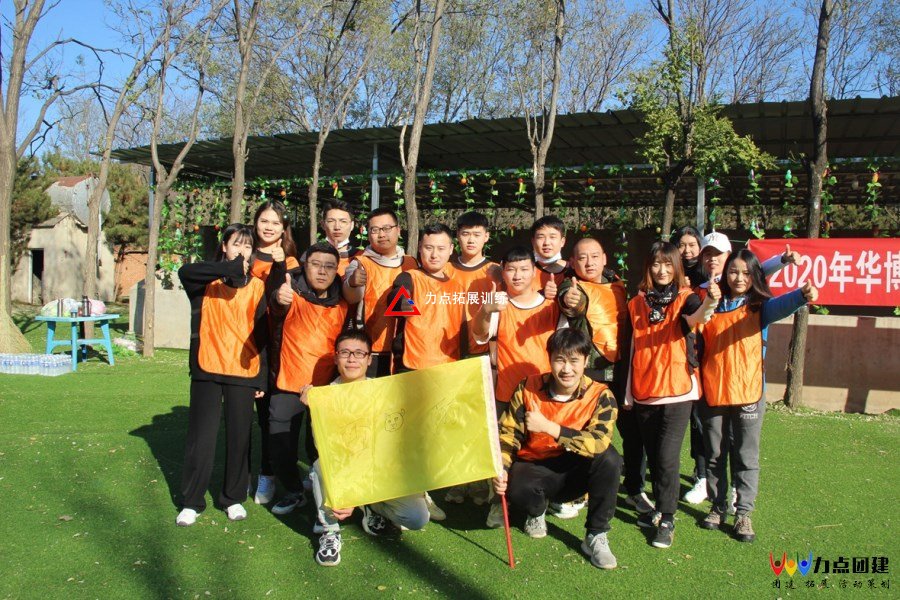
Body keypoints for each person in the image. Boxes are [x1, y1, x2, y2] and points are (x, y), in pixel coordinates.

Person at [698, 249, 817, 543]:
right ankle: (718, 506)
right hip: (713, 389)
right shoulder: (709, 302)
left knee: (745, 455)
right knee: (714, 454)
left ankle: (743, 513)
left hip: (749, 391)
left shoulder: (760, 306)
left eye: (746, 273)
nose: (739, 278)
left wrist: (802, 295)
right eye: (733, 272)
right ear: (725, 274)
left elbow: (782, 305)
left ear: (755, 277)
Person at [490, 329, 622, 570]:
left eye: (574, 361)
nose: (566, 369)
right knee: (516, 487)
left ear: (586, 361)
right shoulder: (527, 386)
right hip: (535, 464)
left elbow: (599, 442)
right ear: (549, 359)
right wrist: (502, 469)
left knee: (610, 459)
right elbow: (508, 434)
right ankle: (536, 511)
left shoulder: (601, 395)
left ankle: (596, 534)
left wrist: (550, 428)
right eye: (560, 360)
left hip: (574, 468)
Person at [301, 330, 429, 567]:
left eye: (359, 353)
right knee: (321, 465)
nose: (352, 359)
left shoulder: (385, 391)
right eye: (345, 352)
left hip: (381, 470)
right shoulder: (323, 397)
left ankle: (371, 506)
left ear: (369, 359)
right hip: (345, 468)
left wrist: (361, 494)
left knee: (417, 517)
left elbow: (395, 445)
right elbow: (328, 449)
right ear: (336, 357)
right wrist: (314, 409)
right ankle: (329, 530)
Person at [623, 241, 719, 549]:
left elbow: (698, 317)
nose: (662, 270)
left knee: (666, 457)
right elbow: (632, 348)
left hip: (678, 391)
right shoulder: (636, 303)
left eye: (668, 264)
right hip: (644, 392)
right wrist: (628, 392)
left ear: (676, 267)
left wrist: (710, 302)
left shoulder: (686, 298)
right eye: (656, 264)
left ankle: (667, 518)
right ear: (648, 268)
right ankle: (659, 508)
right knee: (654, 457)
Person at [175, 224, 268, 527]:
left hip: (244, 370)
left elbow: (264, 334)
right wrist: (227, 268)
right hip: (207, 368)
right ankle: (192, 501)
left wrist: (261, 379)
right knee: (201, 437)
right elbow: (185, 272)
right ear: (225, 246)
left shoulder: (258, 286)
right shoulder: (204, 282)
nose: (242, 251)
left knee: (240, 437)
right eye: (236, 244)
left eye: (247, 246)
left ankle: (233, 497)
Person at [557, 238, 654, 516]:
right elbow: (571, 302)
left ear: (604, 258)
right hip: (590, 376)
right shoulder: (571, 285)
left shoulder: (617, 283)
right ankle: (578, 490)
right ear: (572, 262)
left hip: (623, 374)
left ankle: (635, 489)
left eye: (594, 256)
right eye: (582, 258)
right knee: (583, 433)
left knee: (632, 435)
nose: (589, 263)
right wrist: (570, 300)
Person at [265, 243, 350, 516]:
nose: (322, 271)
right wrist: (278, 298)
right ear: (305, 266)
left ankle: (322, 491)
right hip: (288, 381)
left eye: (329, 266)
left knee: (319, 446)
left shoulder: (343, 302)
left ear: (336, 271)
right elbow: (276, 307)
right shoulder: (291, 291)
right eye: (316, 264)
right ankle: (293, 491)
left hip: (326, 386)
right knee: (280, 443)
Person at [444, 211, 499, 506]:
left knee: (479, 421)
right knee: (453, 421)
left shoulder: (495, 271)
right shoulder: (445, 268)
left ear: (486, 237)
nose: (471, 240)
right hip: (448, 355)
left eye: (477, 234)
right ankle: (456, 480)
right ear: (458, 236)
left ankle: (478, 481)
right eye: (465, 234)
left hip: (481, 356)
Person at [248, 200, 300, 505]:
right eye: (264, 221)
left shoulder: (291, 261)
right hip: (243, 342)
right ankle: (255, 474)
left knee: (272, 416)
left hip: (276, 346)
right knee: (252, 417)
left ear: (284, 228)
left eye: (275, 222)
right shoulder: (245, 254)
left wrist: (280, 264)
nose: (268, 227)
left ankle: (270, 473)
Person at [342, 208, 418, 377]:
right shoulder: (360, 264)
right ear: (368, 234)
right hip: (370, 350)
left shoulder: (412, 263)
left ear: (398, 230)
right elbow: (351, 298)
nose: (381, 234)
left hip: (406, 347)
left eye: (386, 228)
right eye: (375, 230)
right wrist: (352, 283)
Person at [673, 225, 711, 506]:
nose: (687, 251)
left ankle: (704, 474)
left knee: (700, 421)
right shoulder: (669, 274)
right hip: (675, 358)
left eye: (692, 245)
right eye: (682, 245)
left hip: (703, 357)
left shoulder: (708, 277)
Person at [307, 198, 361, 276]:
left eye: (343, 221)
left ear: (352, 225)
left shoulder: (361, 257)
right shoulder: (311, 255)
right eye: (331, 221)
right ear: (323, 224)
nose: (337, 227)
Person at [530, 215, 568, 297]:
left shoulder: (573, 270)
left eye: (552, 237)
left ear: (562, 241)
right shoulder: (525, 271)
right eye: (541, 237)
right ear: (533, 242)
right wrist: (541, 294)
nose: (546, 243)